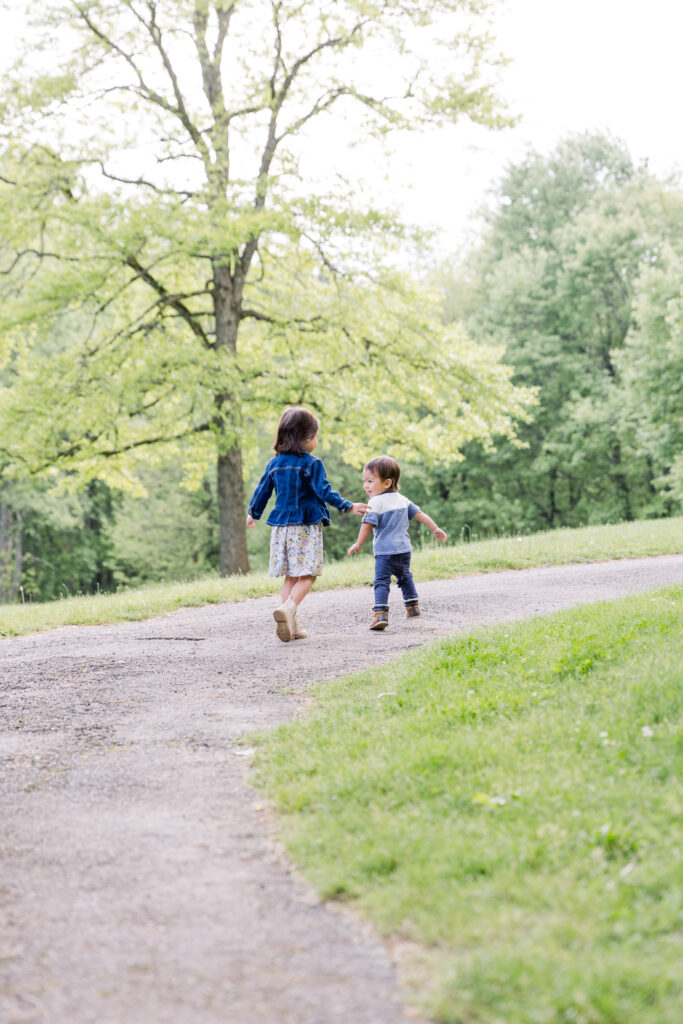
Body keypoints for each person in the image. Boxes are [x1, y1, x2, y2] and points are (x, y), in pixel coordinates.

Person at [247, 407, 369, 642]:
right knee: (309, 574)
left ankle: (291, 625)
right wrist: (347, 506)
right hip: (304, 526)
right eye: (315, 436)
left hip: (281, 527)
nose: (317, 440)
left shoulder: (274, 463)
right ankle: (289, 608)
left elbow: (262, 490)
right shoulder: (312, 463)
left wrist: (253, 513)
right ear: (303, 438)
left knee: (290, 577)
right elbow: (324, 491)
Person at [347, 454, 447, 630]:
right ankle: (412, 607)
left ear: (387, 483)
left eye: (370, 481)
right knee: (405, 577)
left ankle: (380, 615)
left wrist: (358, 543)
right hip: (403, 550)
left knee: (381, 581)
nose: (366, 486)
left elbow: (367, 525)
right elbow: (419, 514)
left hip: (384, 552)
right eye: (364, 481)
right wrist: (435, 528)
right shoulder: (402, 499)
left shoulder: (375, 502)